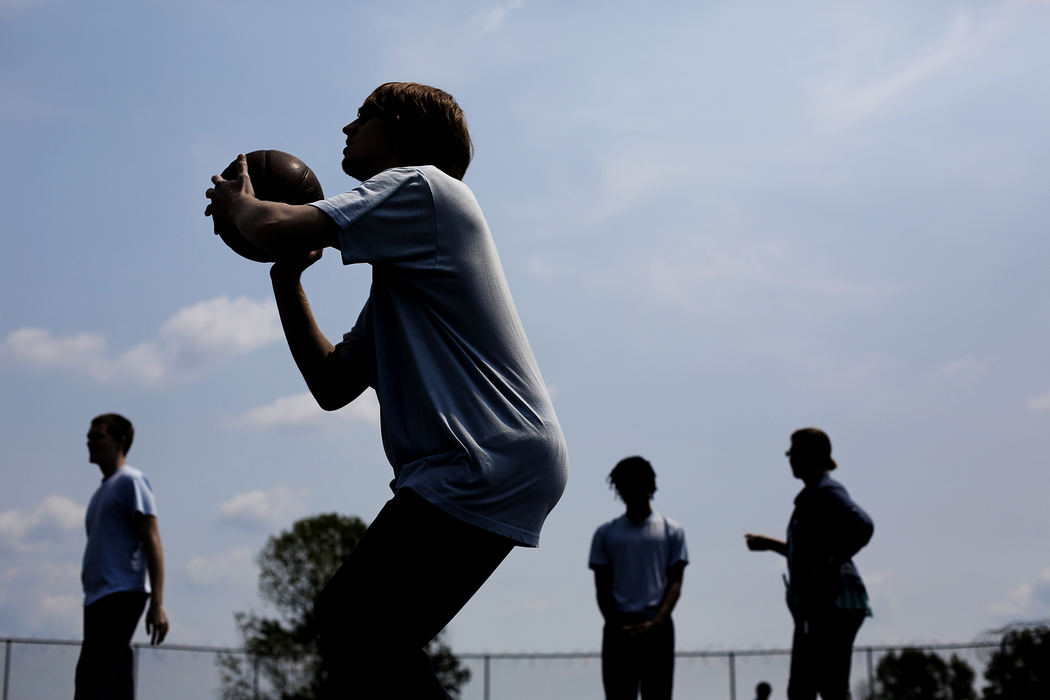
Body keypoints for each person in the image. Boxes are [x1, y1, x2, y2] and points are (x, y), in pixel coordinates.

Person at [205, 82, 569, 698]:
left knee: (353, 619)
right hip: (495, 462)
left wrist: (239, 201)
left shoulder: (425, 187)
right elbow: (332, 383)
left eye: (362, 117)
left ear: (402, 130)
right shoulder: (403, 283)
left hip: (485, 457)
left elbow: (269, 224)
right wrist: (287, 278)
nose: (346, 130)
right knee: (369, 634)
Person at [745, 428, 873, 700]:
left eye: (798, 453)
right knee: (810, 687)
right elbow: (806, 553)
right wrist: (769, 544)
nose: (791, 459)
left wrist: (831, 565)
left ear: (818, 456)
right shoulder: (812, 496)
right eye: (790, 453)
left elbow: (863, 525)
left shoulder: (827, 491)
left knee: (823, 686)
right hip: (819, 605)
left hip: (833, 603)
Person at [76, 413, 168, 700]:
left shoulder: (132, 481)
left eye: (98, 436)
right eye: (89, 436)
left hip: (120, 594)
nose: (90, 442)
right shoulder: (103, 490)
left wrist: (158, 604)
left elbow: (153, 541)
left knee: (92, 681)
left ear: (120, 441)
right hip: (98, 597)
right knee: (115, 682)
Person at [589, 456, 687, 700]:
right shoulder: (605, 534)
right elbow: (602, 588)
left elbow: (675, 582)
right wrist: (615, 625)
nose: (631, 491)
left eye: (637, 484)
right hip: (618, 628)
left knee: (659, 694)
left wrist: (658, 622)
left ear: (650, 486)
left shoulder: (671, 530)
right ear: (618, 489)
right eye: (625, 485)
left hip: (657, 628)